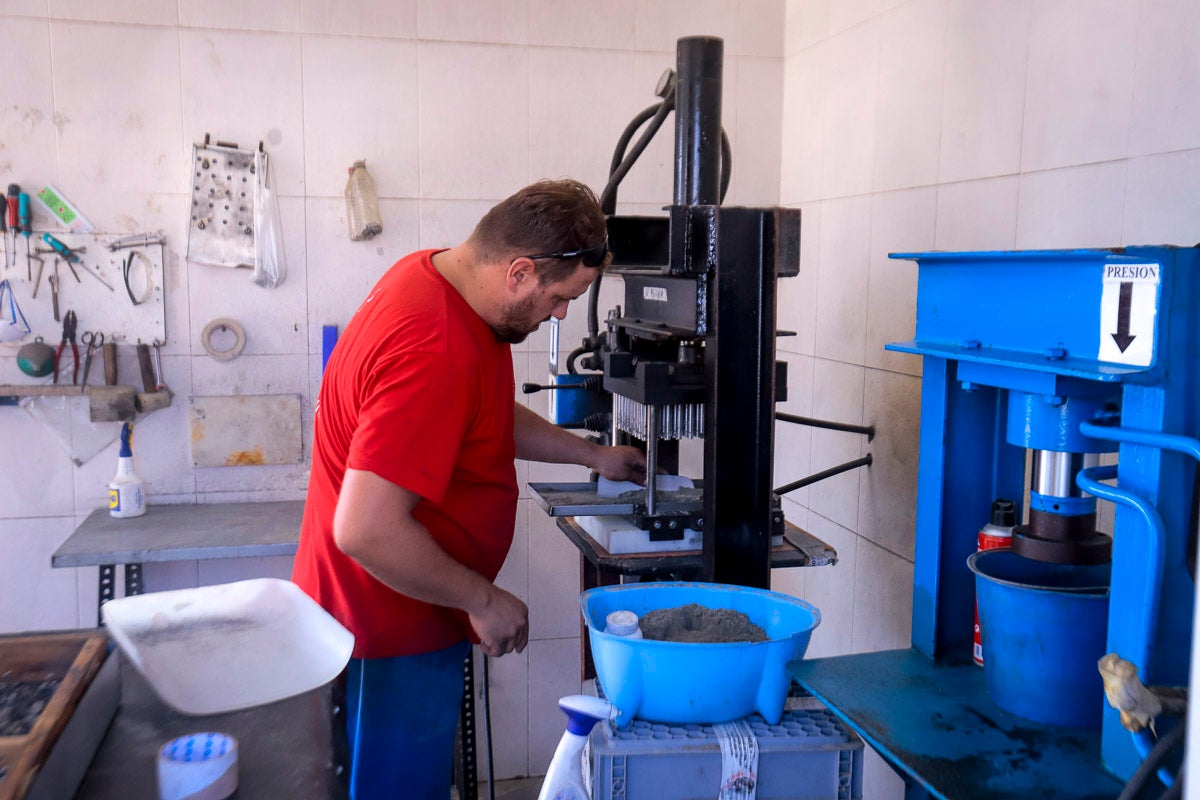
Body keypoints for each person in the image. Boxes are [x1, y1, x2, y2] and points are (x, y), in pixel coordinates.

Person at [292, 178, 647, 800]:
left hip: (396, 612)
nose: (562, 314)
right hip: (387, 628)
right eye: (561, 297)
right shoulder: (434, 348)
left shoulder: (436, 279)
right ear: (518, 271)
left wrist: (594, 456)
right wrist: (483, 600)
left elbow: (482, 414)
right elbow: (366, 528)